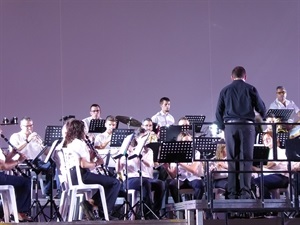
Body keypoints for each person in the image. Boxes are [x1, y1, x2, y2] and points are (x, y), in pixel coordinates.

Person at [215, 66, 266, 199]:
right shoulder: (251, 88)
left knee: (232, 159)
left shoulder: (225, 90)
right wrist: (265, 117)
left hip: (230, 127)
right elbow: (261, 108)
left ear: (231, 77)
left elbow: (218, 112)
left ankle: (232, 192)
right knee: (246, 159)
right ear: (245, 76)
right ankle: (245, 192)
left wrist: (223, 127)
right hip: (247, 126)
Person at [63, 119, 121, 220]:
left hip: (74, 176)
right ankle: (104, 212)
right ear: (80, 130)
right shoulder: (79, 143)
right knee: (115, 182)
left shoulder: (71, 143)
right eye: (85, 128)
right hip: (82, 175)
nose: (87, 130)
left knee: (109, 183)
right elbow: (84, 164)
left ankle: (90, 203)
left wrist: (91, 155)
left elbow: (81, 160)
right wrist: (97, 163)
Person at [116, 128, 164, 219]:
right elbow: (118, 169)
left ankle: (154, 210)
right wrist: (120, 156)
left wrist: (140, 156)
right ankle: (147, 213)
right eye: (143, 137)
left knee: (160, 184)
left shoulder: (148, 151)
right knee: (145, 182)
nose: (146, 139)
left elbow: (150, 164)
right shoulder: (128, 151)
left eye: (147, 137)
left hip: (147, 178)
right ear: (137, 138)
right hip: (131, 179)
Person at [9, 117, 52, 197]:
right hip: (23, 161)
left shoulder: (35, 137)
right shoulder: (15, 136)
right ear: (21, 126)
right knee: (47, 165)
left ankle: (47, 192)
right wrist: (27, 141)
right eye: (27, 126)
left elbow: (47, 153)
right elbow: (14, 150)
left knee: (52, 164)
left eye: (31, 125)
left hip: (37, 162)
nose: (29, 128)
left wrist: (42, 145)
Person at [165, 131, 204, 203]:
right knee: (172, 185)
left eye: (189, 141)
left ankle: (195, 207)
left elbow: (193, 170)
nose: (188, 144)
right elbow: (173, 175)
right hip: (180, 178)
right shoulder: (175, 153)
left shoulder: (196, 153)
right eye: (185, 142)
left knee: (200, 185)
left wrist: (180, 162)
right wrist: (167, 168)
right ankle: (179, 206)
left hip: (193, 177)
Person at [252, 132, 289, 199]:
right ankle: (264, 203)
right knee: (252, 182)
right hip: (268, 176)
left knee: (258, 181)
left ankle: (267, 205)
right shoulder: (266, 152)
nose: (265, 141)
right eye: (264, 140)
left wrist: (257, 165)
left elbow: (270, 164)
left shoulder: (279, 151)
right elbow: (260, 168)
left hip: (280, 176)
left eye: (268, 139)